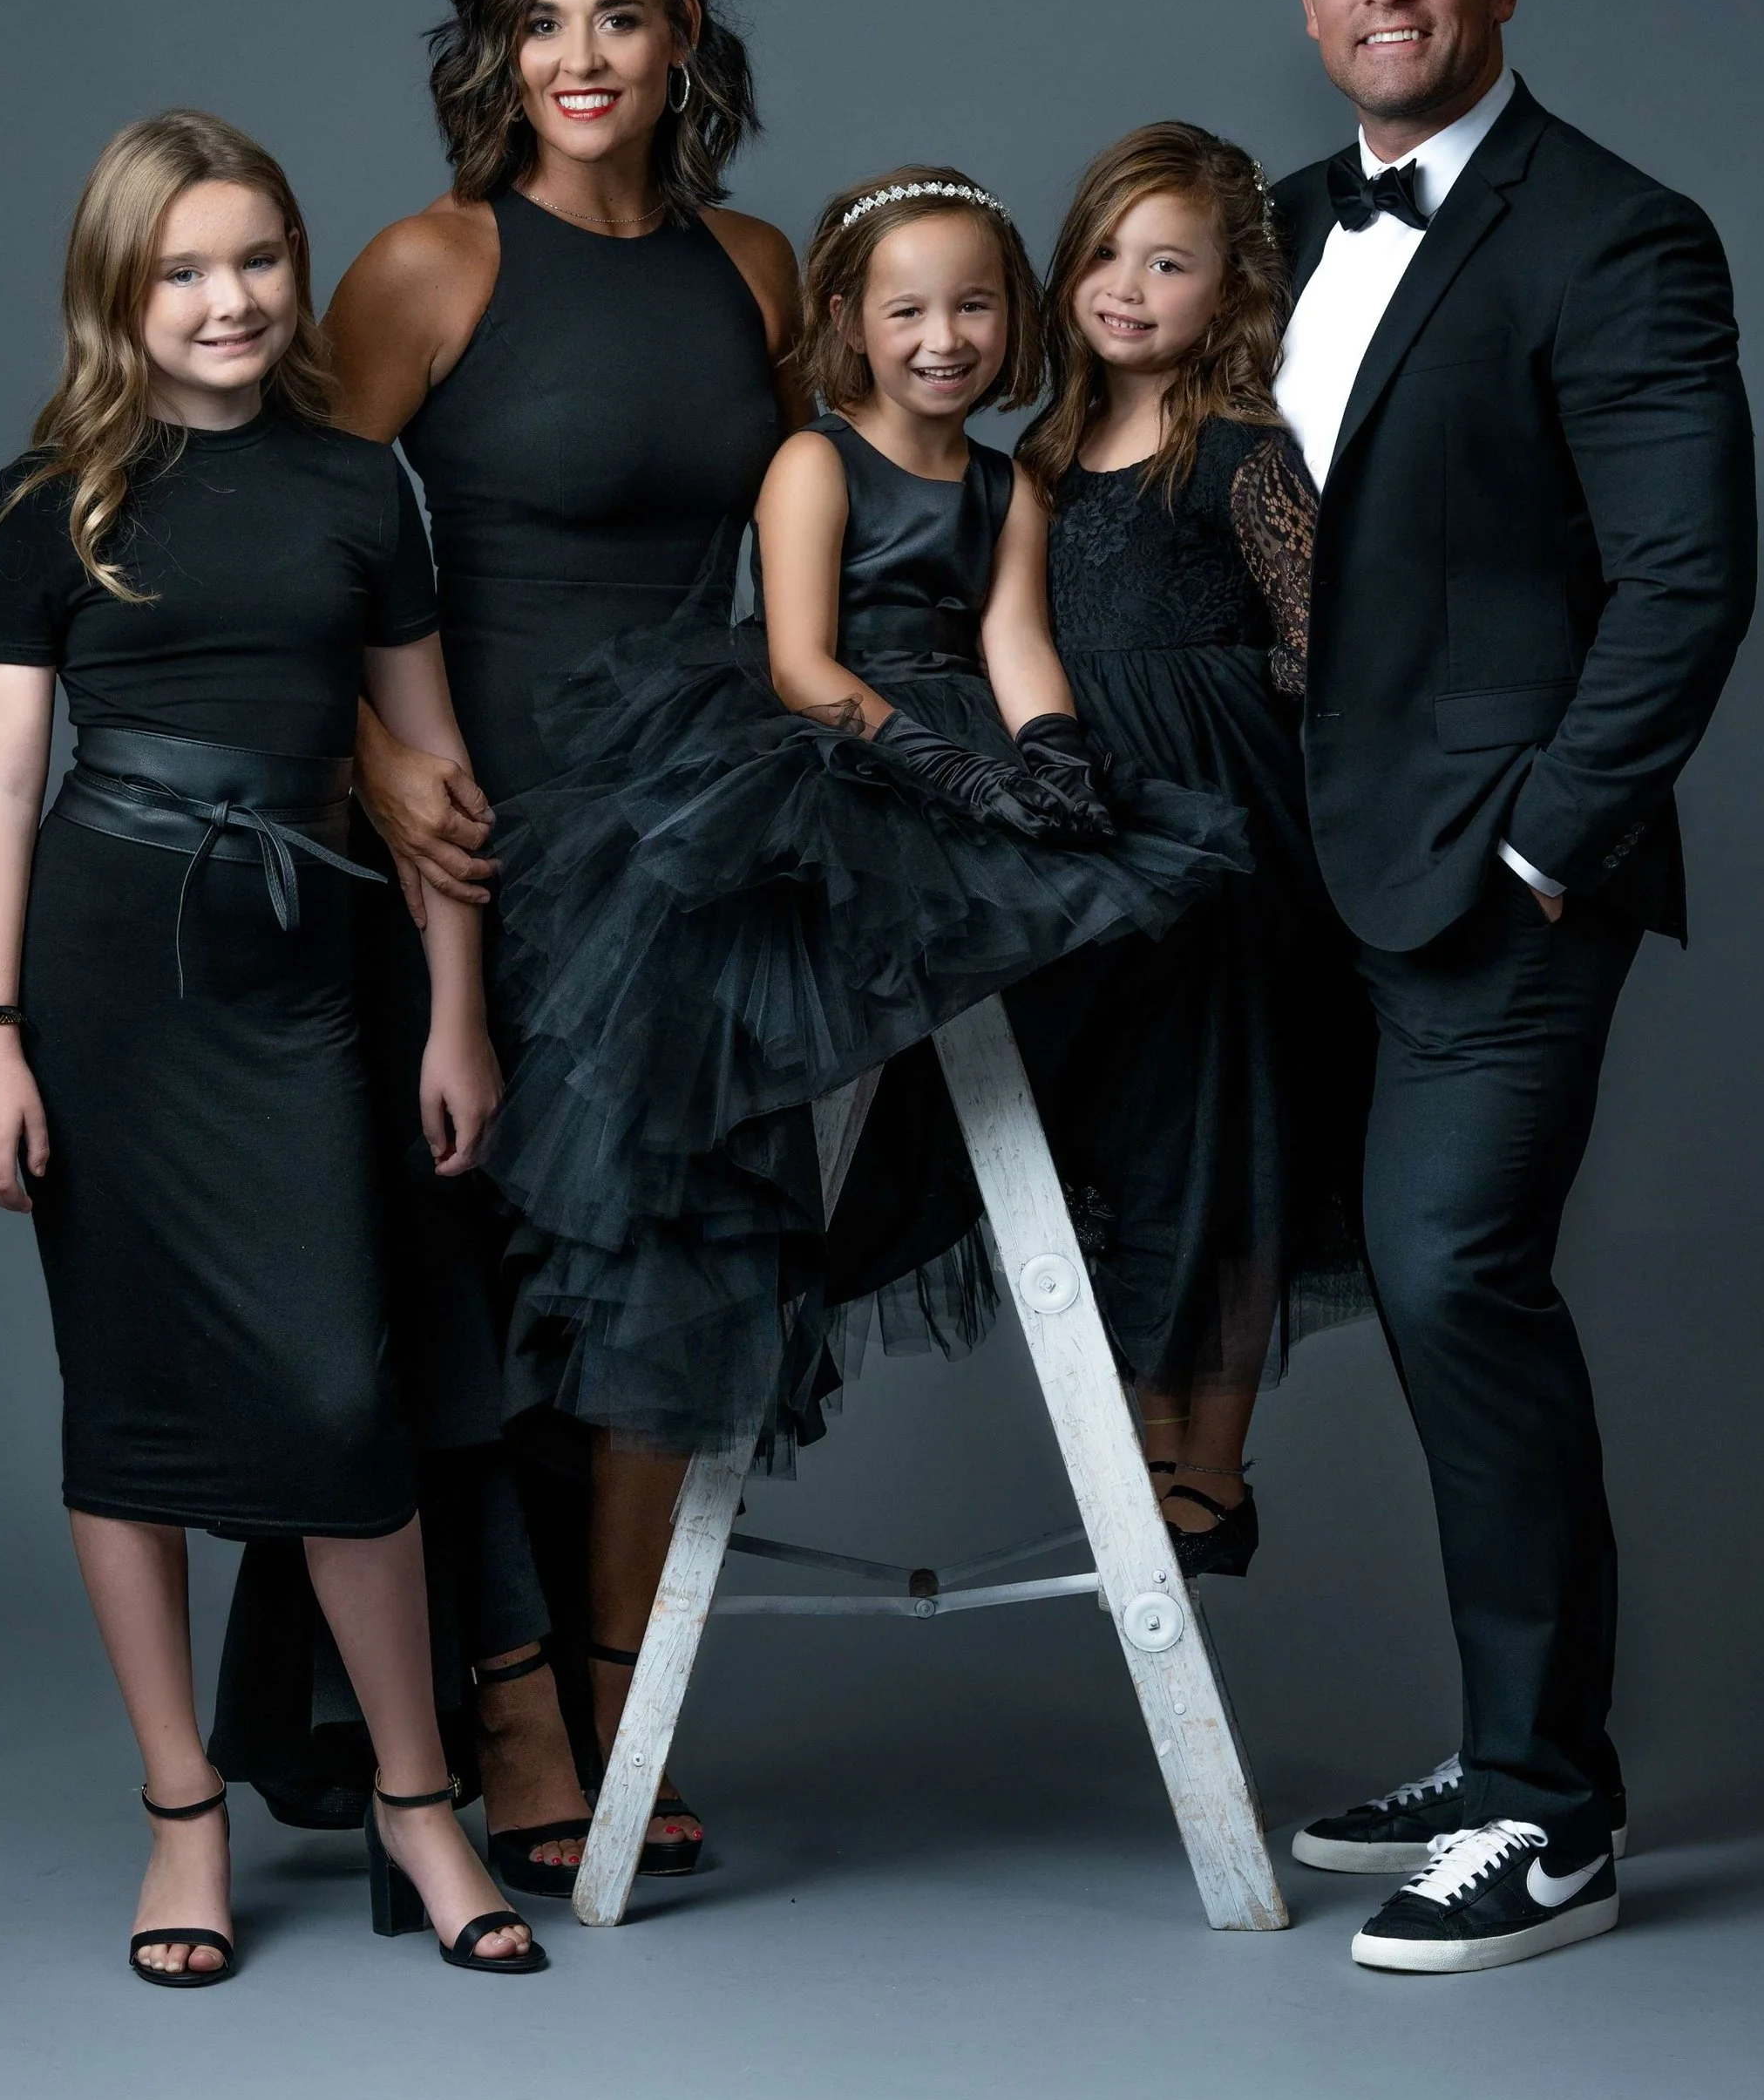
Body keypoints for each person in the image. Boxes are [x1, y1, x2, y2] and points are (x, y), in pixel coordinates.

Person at [209, 0, 797, 1893]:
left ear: (685, 33)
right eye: (543, 21)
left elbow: (836, 524)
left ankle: (627, 1688)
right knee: (464, 1283)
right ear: (495, 46)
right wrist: (372, 760)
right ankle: (512, 1698)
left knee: (666, 1275)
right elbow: (300, 534)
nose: (579, 58)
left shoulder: (755, 263)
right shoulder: (430, 263)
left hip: (688, 842)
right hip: (476, 847)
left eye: (620, 17)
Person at [0, 112, 541, 1981]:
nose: (227, 298)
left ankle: (416, 1794)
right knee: (122, 1404)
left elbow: (435, 774)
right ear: (121, 292)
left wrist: (457, 1005)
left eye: (257, 258)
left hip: (309, 973)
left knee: (343, 1394)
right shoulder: (49, 495)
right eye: (184, 267)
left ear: (297, 269)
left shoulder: (363, 487)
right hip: (108, 975)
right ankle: (181, 1813)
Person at [1265, 0, 1755, 1973]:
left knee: (1458, 1279)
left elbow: (1683, 575)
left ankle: (1551, 1818)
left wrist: (1551, 841)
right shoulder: (1268, 225)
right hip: (1292, 879)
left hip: (1498, 879)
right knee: (1363, 1275)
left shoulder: (1617, 233)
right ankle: (1503, 1744)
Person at [480, 169, 1247, 1474]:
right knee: (787, 1010)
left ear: (1016, 317)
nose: (943, 339)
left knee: (1133, 923)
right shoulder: (811, 461)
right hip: (842, 748)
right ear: (848, 318)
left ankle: (1136, 1347)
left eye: (975, 308)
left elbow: (1015, 639)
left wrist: (1049, 749)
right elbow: (801, 665)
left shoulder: (1012, 486)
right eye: (908, 311)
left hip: (967, 737)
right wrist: (951, 771)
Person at [1014, 123, 1371, 1576]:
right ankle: (1146, 1450)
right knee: (1122, 1132)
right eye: (1106, 252)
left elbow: (1321, 643)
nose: (1129, 285)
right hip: (1091, 841)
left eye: (1170, 263)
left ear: (1226, 295)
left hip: (1226, 838)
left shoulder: (1242, 452)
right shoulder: (1041, 457)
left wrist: (1231, 746)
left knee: (1224, 1132)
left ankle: (1205, 1464)